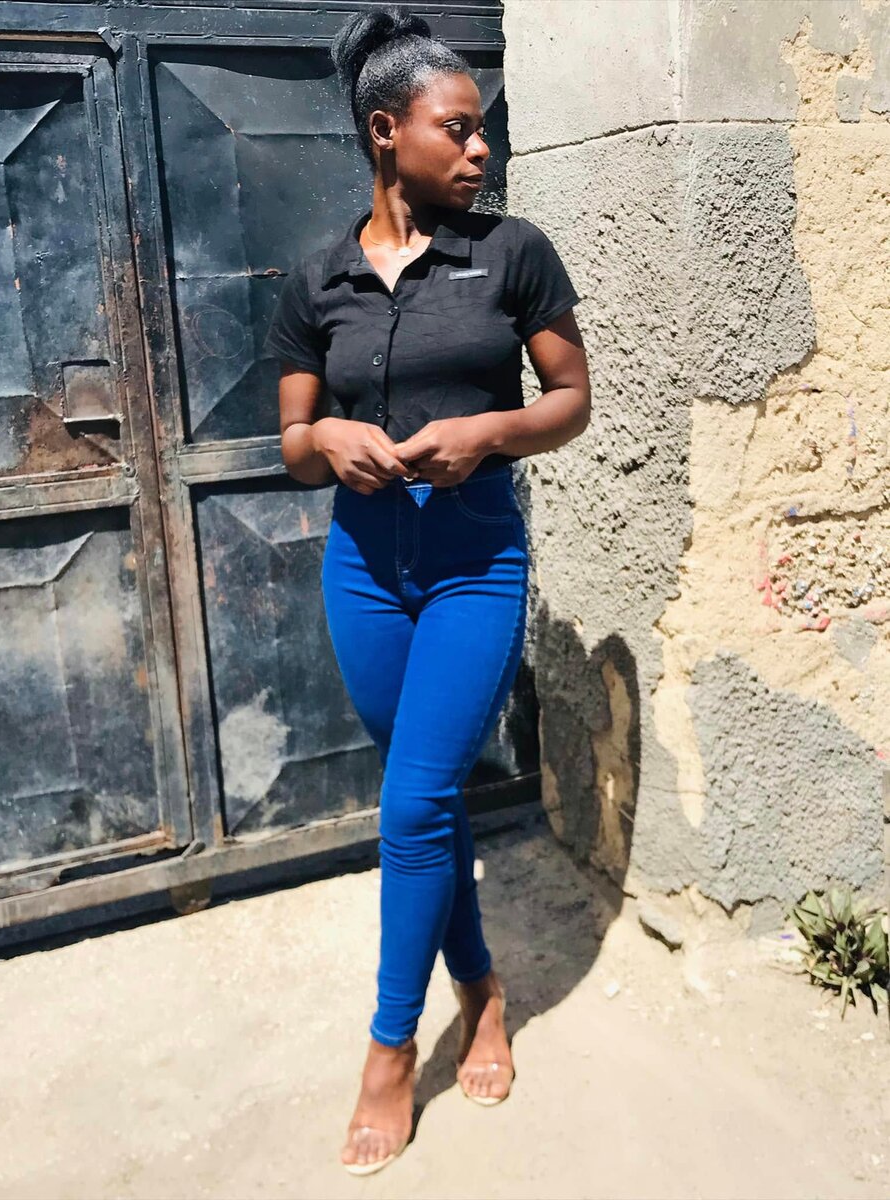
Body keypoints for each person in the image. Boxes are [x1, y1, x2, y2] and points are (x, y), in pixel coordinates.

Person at [264, 3, 590, 1176]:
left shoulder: (513, 253)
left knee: (409, 808)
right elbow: (290, 441)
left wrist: (489, 430)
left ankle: (390, 1048)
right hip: (364, 571)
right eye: (458, 128)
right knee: (428, 801)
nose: (480, 147)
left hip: (472, 565)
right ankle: (483, 986)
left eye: (482, 128)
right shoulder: (318, 278)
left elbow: (570, 401)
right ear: (384, 132)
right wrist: (327, 439)